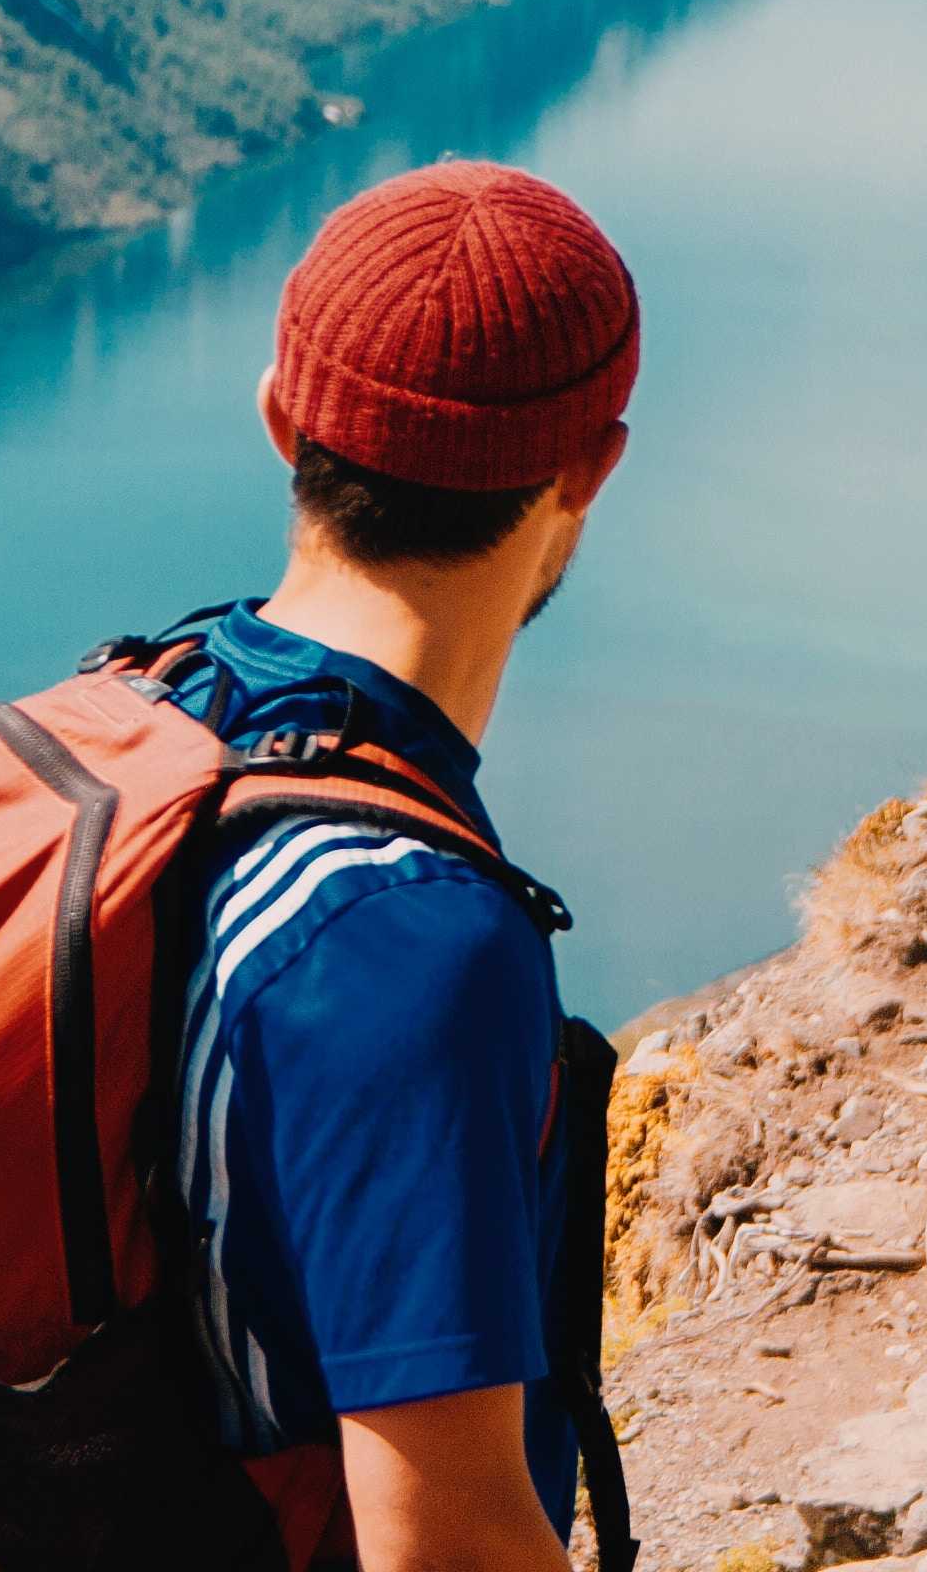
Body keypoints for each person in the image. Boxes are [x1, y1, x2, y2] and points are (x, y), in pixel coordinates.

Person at [162, 158, 641, 1572]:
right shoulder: (405, 943)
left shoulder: (151, 729)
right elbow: (446, 1549)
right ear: (590, 467)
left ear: (280, 419)